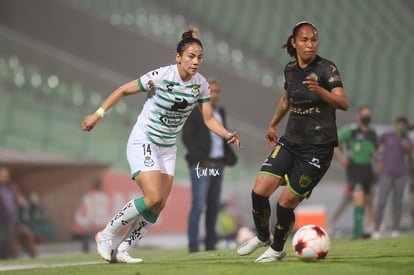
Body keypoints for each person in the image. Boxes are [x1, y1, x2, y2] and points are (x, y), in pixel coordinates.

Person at [81, 28, 241, 264]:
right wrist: (98, 114)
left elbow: (208, 118)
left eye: (199, 57)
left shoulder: (201, 85)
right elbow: (123, 90)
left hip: (167, 148)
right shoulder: (162, 76)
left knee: (159, 203)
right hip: (144, 140)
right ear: (178, 56)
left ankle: (124, 248)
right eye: (190, 56)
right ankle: (106, 235)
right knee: (152, 196)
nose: (196, 62)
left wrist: (226, 133)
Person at [236, 21, 349, 263]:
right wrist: (272, 123)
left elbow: (343, 103)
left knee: (286, 202)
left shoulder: (327, 69)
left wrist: (321, 91)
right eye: (305, 40)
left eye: (314, 40)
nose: (310, 45)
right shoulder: (290, 69)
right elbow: (287, 99)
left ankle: (277, 249)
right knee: (259, 190)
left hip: (318, 148)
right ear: (294, 43)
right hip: (291, 141)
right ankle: (263, 237)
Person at [182, 79, 237, 253]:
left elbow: (222, 137)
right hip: (202, 165)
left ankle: (211, 244)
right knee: (198, 206)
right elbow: (187, 138)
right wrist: (201, 159)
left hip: (218, 164)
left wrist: (228, 157)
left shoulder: (221, 111)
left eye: (216, 91)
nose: (214, 94)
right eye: (210, 91)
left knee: (213, 206)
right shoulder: (195, 112)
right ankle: (193, 245)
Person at [334, 106, 379, 239]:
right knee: (358, 197)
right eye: (364, 115)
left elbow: (378, 147)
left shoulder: (372, 132)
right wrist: (341, 157)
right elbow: (335, 142)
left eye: (368, 115)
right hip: (354, 167)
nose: (367, 118)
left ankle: (365, 229)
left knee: (365, 199)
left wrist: (378, 154)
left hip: (368, 169)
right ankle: (357, 232)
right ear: (358, 117)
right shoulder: (351, 130)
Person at [372, 116, 412, 239]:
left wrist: (408, 151)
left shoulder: (407, 140)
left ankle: (395, 228)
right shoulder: (386, 136)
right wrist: (378, 161)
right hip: (386, 173)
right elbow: (374, 148)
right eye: (399, 125)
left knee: (397, 202)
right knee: (382, 201)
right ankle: (376, 229)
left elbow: (410, 159)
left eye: (403, 126)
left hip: (400, 174)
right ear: (395, 125)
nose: (400, 128)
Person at [0, 166, 18, 259]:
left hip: (10, 219)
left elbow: (14, 202)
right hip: (1, 219)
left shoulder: (10, 189)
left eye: (6, 175)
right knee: (1, 240)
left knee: (8, 241)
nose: (4, 177)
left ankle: (5, 259)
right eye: (2, 175)